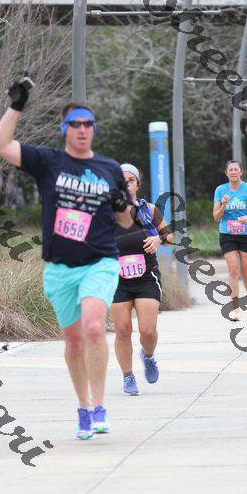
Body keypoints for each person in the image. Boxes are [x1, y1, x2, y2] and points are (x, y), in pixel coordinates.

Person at [0, 76, 133, 440]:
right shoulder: (48, 161)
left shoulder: (109, 168)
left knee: (94, 327)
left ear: (94, 129)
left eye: (88, 124)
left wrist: (122, 204)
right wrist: (16, 105)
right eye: (76, 124)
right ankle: (83, 406)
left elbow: (126, 220)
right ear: (65, 129)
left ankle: (99, 407)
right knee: (73, 342)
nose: (83, 129)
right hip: (59, 269)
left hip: (100, 261)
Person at [110, 163, 173, 395]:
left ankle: (148, 356)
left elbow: (169, 236)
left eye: (131, 180)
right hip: (116, 277)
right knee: (122, 329)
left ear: (137, 184)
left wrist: (158, 239)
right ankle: (128, 377)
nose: (126, 184)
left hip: (146, 275)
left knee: (147, 331)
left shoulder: (149, 209)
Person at [213, 160, 247, 321]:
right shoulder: (220, 190)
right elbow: (216, 217)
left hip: (246, 234)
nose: (233, 172)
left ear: (241, 172)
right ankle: (235, 308)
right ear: (226, 173)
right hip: (227, 234)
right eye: (231, 170)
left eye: (236, 169)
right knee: (233, 269)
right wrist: (223, 205)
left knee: (246, 272)